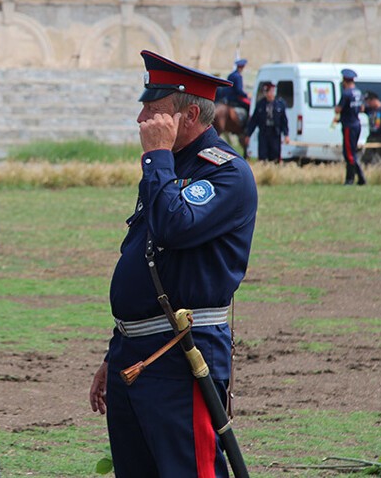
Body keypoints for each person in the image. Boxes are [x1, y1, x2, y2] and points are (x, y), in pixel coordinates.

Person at [89, 50, 258, 477]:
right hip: (137, 353)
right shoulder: (169, 166)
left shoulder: (225, 173)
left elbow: (172, 228)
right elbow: (145, 260)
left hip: (183, 353)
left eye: (155, 110)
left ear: (190, 115)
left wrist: (156, 158)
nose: (142, 119)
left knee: (188, 469)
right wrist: (116, 350)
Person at [332, 68, 366, 185]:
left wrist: (338, 113)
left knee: (349, 153)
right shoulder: (358, 92)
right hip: (356, 124)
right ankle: (359, 178)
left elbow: (338, 109)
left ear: (345, 81)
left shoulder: (346, 93)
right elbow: (361, 108)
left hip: (349, 126)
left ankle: (351, 179)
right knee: (352, 151)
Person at [245, 81, 290, 162]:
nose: (268, 94)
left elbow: (284, 121)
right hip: (264, 132)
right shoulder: (260, 104)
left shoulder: (279, 104)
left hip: (275, 133)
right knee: (262, 154)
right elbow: (254, 121)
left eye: (270, 91)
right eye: (266, 92)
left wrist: (286, 134)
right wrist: (248, 134)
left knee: (275, 154)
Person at [224, 58, 251, 126]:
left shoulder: (231, 75)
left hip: (228, 98)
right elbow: (239, 90)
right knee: (249, 107)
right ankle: (246, 126)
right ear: (242, 67)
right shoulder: (238, 76)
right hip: (236, 99)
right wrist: (246, 95)